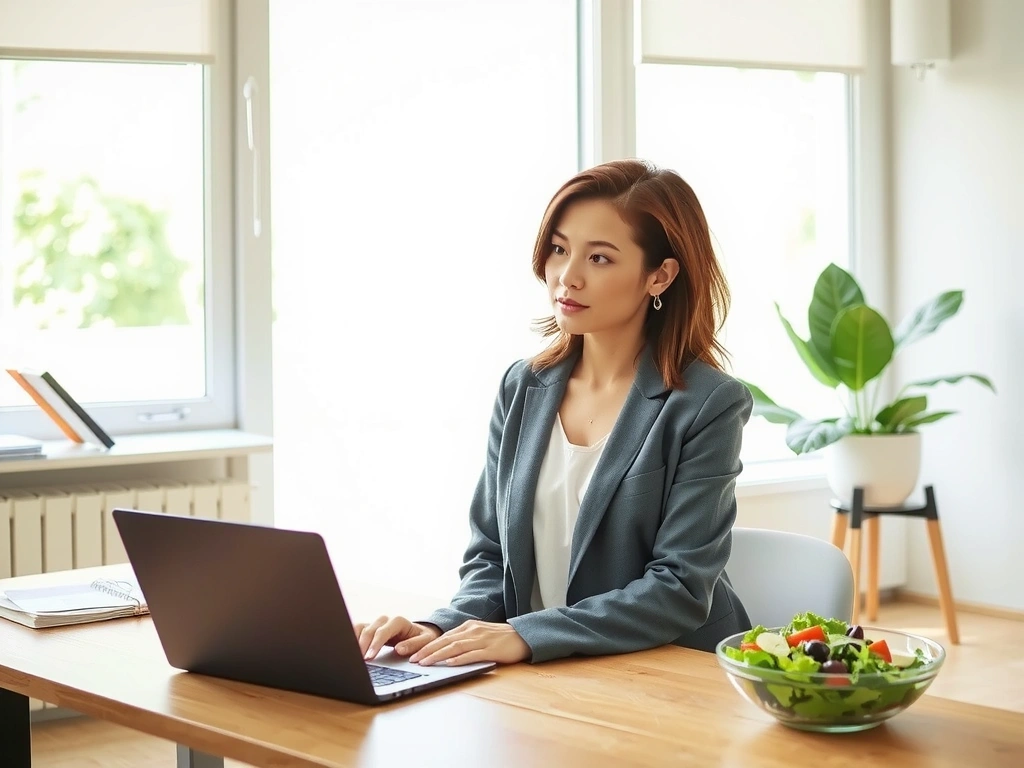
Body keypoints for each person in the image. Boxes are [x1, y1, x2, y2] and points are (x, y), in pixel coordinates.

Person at [356, 158, 753, 667]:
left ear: (660, 275)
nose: (567, 276)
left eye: (601, 258)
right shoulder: (523, 387)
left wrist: (527, 635)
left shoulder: (708, 404)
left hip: (668, 673)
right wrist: (436, 627)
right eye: (560, 249)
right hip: (550, 673)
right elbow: (491, 556)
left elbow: (678, 588)